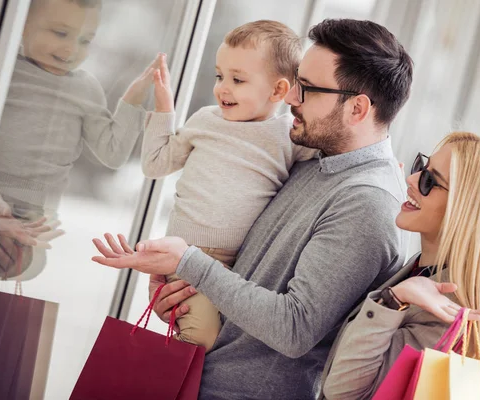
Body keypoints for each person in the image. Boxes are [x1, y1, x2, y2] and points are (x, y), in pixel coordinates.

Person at [93, 18, 413, 399]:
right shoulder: (312, 158)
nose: (291, 97)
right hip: (196, 377)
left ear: (357, 107)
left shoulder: (367, 203)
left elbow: (294, 329)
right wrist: (187, 296)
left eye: (307, 89)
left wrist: (189, 263)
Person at [140, 20, 316, 351]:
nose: (222, 88)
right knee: (200, 341)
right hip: (186, 254)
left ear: (278, 91)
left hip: (244, 266)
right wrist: (164, 110)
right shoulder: (206, 120)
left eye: (237, 80)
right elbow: (156, 164)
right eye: (220, 76)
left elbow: (333, 160)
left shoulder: (289, 136)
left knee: (229, 342)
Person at [321, 132, 480, 399]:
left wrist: (394, 300)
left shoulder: (445, 311)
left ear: (464, 211)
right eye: (422, 167)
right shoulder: (422, 270)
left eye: (429, 180)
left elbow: (344, 392)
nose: (411, 179)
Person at [0, 0, 156, 217]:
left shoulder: (85, 89)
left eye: (85, 41)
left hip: (36, 219)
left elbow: (113, 155)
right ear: (23, 24)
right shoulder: (0, 68)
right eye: (60, 33)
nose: (72, 49)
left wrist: (132, 101)